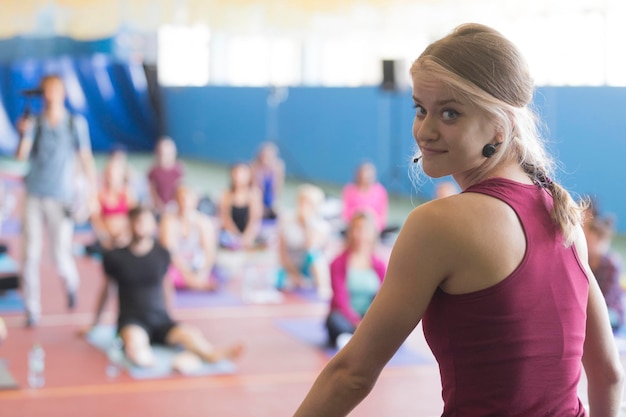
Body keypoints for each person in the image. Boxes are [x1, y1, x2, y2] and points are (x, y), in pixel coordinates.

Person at [293, 23, 623, 417]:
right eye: (420, 108)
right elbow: (608, 374)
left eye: (450, 113)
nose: (425, 130)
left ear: (499, 126)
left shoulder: (440, 224)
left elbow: (352, 375)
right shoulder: (560, 208)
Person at [85, 206, 243, 369]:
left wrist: (170, 314)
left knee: (190, 334)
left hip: (160, 319)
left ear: (153, 225)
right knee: (135, 342)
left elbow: (167, 285)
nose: (141, 226)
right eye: (137, 222)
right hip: (131, 321)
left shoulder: (161, 254)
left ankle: (212, 354)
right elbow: (106, 290)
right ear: (130, 224)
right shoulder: (115, 257)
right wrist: (94, 324)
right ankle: (144, 358)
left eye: (145, 222)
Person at [15, 74, 98, 327]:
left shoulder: (75, 123)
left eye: (54, 89)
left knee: (60, 254)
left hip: (61, 197)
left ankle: (70, 284)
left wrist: (91, 195)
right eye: (46, 90)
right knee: (30, 255)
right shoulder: (36, 123)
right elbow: (21, 157)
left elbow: (85, 158)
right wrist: (24, 134)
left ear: (62, 92)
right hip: (34, 193)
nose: (50, 94)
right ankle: (32, 309)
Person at [326, 211, 386, 349]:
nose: (360, 234)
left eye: (365, 229)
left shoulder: (379, 265)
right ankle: (358, 338)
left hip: (369, 319)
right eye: (357, 229)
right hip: (345, 318)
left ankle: (361, 337)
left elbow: (382, 297)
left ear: (372, 233)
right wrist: (355, 322)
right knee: (334, 320)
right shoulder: (338, 263)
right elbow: (339, 299)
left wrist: (367, 322)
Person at [276, 183, 332, 298]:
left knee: (314, 254)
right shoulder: (286, 221)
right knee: (281, 282)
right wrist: (294, 274)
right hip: (291, 267)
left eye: (308, 204)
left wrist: (305, 223)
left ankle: (323, 287)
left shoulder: (321, 226)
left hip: (310, 268)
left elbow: (310, 247)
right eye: (302, 202)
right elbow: (282, 253)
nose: (304, 206)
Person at [160, 185, 219, 291]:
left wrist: (202, 274)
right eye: (182, 199)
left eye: (188, 199)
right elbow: (170, 252)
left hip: (199, 265)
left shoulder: (204, 222)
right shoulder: (169, 221)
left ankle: (195, 283)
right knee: (166, 277)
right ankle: (196, 284)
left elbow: (210, 253)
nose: (185, 203)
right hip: (178, 267)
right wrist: (187, 274)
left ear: (195, 201)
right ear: (176, 200)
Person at [583, 206, 624, 333]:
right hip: (591, 309)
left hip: (610, 311)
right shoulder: (585, 260)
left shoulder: (612, 264)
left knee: (603, 318)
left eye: (592, 241)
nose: (589, 244)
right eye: (587, 240)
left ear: (603, 241)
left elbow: (606, 300)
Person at [86, 153, 137, 255]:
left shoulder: (127, 193)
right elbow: (96, 220)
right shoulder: (99, 195)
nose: (111, 177)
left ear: (120, 175)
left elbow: (134, 216)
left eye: (114, 173)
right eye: (108, 173)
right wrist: (105, 239)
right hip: (106, 239)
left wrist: (126, 235)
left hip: (125, 237)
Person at [341, 162, 397, 239]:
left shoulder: (380, 191)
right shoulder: (349, 189)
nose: (365, 178)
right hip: (354, 227)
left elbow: (383, 215)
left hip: (374, 228)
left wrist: (373, 223)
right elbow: (345, 213)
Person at [218, 162, 264, 250]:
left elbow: (254, 219)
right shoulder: (226, 194)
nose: (239, 176)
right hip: (230, 233)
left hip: (250, 233)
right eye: (236, 173)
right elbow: (225, 218)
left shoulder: (254, 194)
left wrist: (247, 237)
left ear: (249, 176)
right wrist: (236, 235)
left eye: (242, 173)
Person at [147, 136, 184, 215]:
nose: (165, 156)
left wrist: (173, 204)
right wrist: (160, 206)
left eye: (168, 154)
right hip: (157, 206)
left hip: (173, 205)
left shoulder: (178, 169)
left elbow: (179, 189)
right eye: (163, 153)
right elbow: (152, 191)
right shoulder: (153, 171)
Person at [250, 141, 285, 220]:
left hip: (270, 199)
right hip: (257, 200)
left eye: (270, 156)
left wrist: (276, 202)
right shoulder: (254, 168)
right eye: (265, 156)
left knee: (280, 214)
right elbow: (254, 189)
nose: (267, 158)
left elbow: (278, 187)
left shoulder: (278, 167)